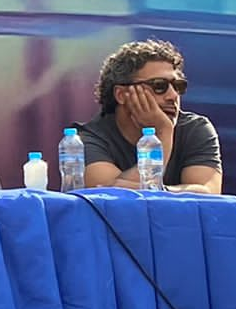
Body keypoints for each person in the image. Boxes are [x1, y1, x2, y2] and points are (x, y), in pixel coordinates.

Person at [77, 39, 222, 194]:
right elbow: (111, 196)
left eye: (178, 86)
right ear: (122, 94)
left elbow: (208, 194)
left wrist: (159, 190)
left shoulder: (195, 128)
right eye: (159, 85)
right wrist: (162, 134)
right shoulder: (87, 138)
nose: (173, 95)